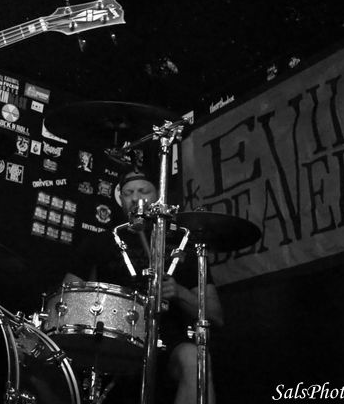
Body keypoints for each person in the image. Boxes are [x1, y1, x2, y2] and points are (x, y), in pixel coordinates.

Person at [63, 167, 224, 404]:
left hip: (168, 341)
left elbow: (216, 316)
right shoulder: (101, 241)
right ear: (121, 200)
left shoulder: (183, 246)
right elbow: (68, 295)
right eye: (128, 193)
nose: (136, 198)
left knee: (197, 359)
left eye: (143, 191)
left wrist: (179, 293)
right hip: (114, 334)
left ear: (158, 197)